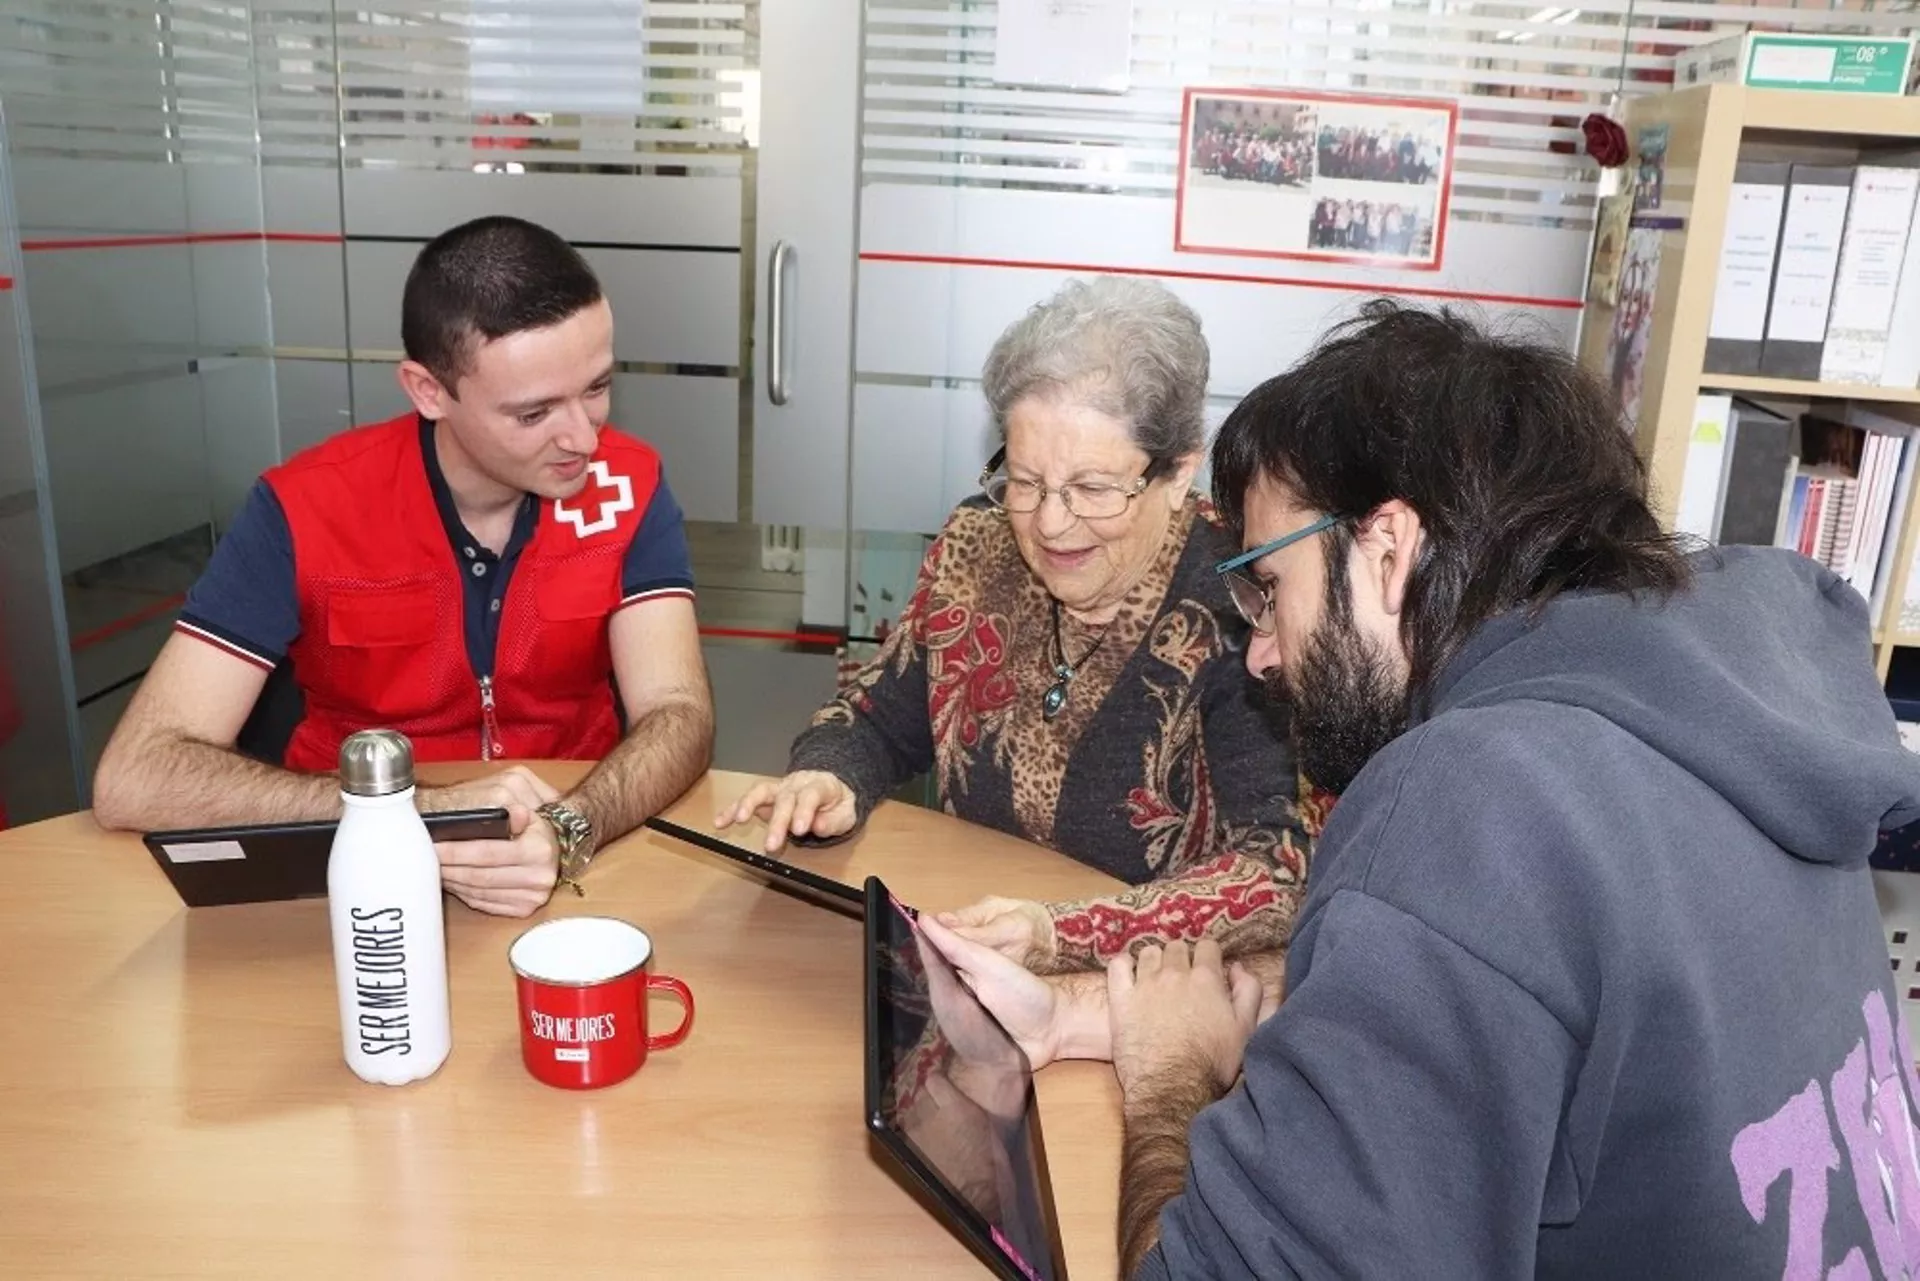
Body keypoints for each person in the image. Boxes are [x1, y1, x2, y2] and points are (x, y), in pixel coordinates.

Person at [926, 300, 1920, 1277]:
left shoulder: (1475, 806)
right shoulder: (1709, 721)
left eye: (1268, 589)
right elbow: (1499, 1029)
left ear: (1389, 550)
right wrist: (1075, 1019)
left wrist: (1168, 1082)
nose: (1262, 654)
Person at [92, 216, 714, 918]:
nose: (584, 436)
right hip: (355, 874)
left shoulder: (628, 484)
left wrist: (571, 827)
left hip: (577, 854)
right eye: (534, 411)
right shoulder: (306, 508)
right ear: (428, 390)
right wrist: (417, 814)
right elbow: (135, 775)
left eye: (597, 386)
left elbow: (678, 710)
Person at [718, 277, 1314, 976]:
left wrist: (1061, 932)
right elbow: (877, 720)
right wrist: (829, 775)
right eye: (1026, 480)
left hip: (1146, 993)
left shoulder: (1237, 605)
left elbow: (1274, 873)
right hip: (966, 950)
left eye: (1092, 488)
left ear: (1178, 473)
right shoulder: (981, 542)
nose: (1050, 522)